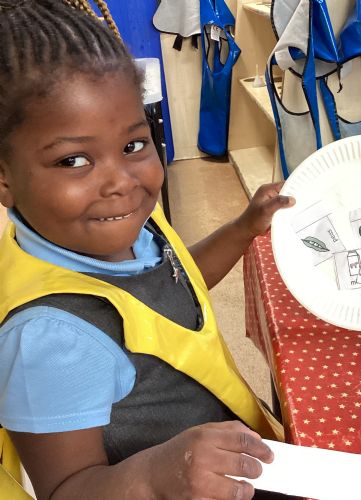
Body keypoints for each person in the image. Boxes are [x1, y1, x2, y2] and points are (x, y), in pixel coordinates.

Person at [0, 1, 295, 498]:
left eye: (133, 145)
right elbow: (66, 490)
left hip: (231, 459)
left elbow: (175, 285)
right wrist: (156, 475)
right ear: (5, 178)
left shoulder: (129, 224)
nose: (121, 181)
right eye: (73, 160)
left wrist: (243, 228)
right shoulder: (49, 338)